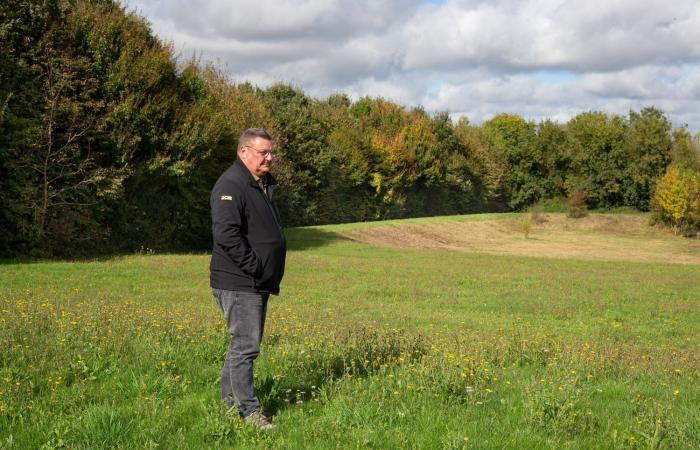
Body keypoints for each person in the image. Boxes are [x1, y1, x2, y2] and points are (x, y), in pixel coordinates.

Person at [210, 128, 286, 430]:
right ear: (244, 152)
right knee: (246, 346)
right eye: (263, 152)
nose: (270, 157)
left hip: (255, 281)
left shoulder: (260, 183)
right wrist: (255, 266)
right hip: (239, 281)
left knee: (240, 344)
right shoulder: (231, 184)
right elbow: (226, 234)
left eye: (271, 152)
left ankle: (230, 402)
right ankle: (248, 411)